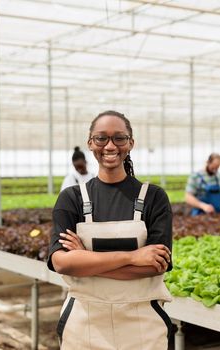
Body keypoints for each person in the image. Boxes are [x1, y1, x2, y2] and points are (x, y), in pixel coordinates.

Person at [48, 110, 173, 350]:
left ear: (131, 143)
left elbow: (155, 265)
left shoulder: (153, 197)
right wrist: (132, 257)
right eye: (101, 138)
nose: (110, 146)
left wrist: (85, 260)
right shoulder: (71, 198)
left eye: (119, 138)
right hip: (84, 322)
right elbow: (62, 263)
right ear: (90, 143)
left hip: (142, 323)